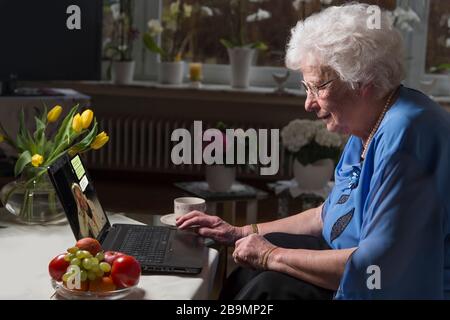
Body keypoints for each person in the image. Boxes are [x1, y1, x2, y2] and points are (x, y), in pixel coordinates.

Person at [177, 3, 450, 300]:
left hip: (388, 288)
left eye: (317, 87)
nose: (308, 103)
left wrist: (272, 256)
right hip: (349, 262)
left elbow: (379, 268)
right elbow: (326, 216)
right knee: (250, 266)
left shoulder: (408, 136)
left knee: (268, 287)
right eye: (305, 88)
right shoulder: (367, 124)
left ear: (362, 81)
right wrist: (241, 232)